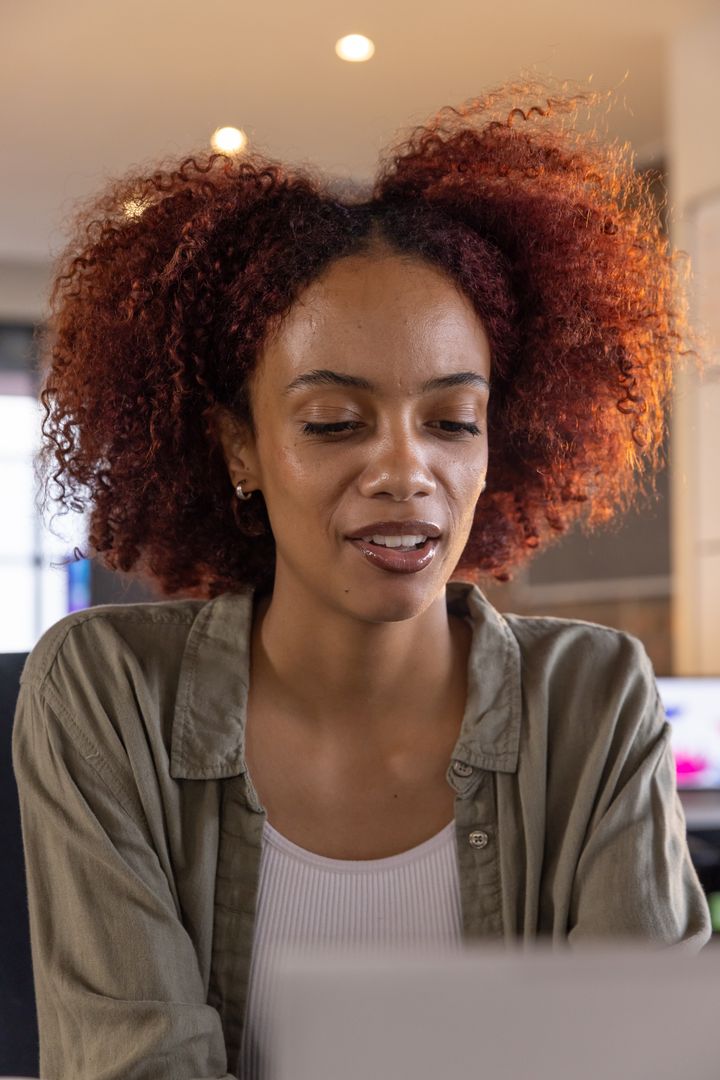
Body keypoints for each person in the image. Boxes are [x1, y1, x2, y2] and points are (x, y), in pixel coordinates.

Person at [12, 74, 712, 1080]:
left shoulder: (591, 700)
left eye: (452, 421)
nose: (403, 470)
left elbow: (645, 1062)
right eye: (334, 422)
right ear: (239, 449)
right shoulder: (107, 694)